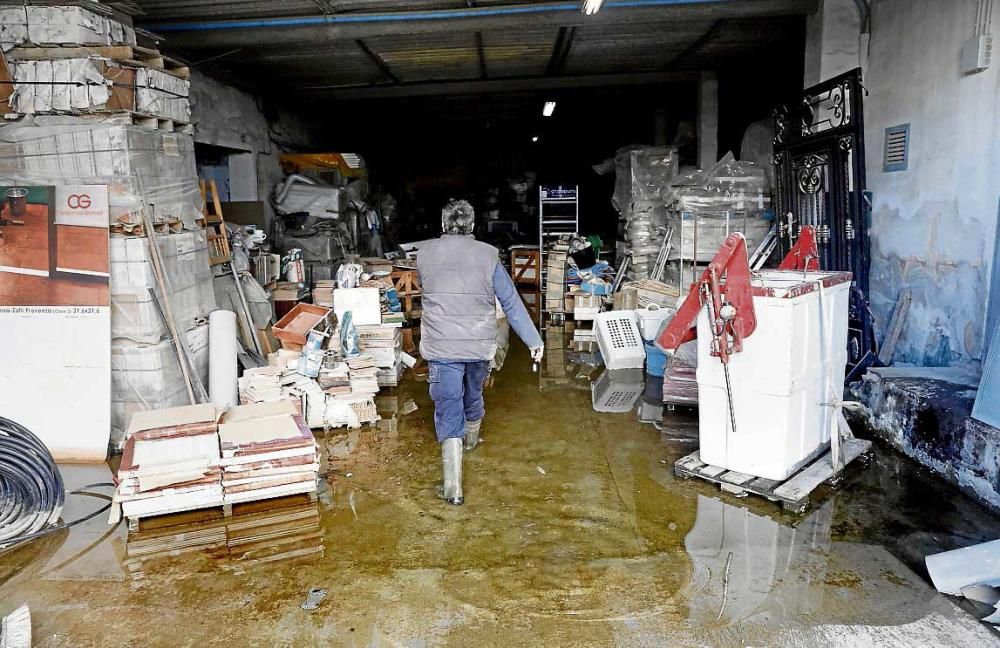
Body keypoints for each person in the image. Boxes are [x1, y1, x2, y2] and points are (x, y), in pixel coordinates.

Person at [417, 199, 544, 505]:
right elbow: (511, 301)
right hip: (478, 344)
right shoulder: (488, 255)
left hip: (441, 345)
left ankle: (453, 488)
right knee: (472, 393)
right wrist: (533, 341)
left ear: (444, 224)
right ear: (472, 226)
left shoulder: (424, 253)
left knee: (448, 405)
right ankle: (471, 441)